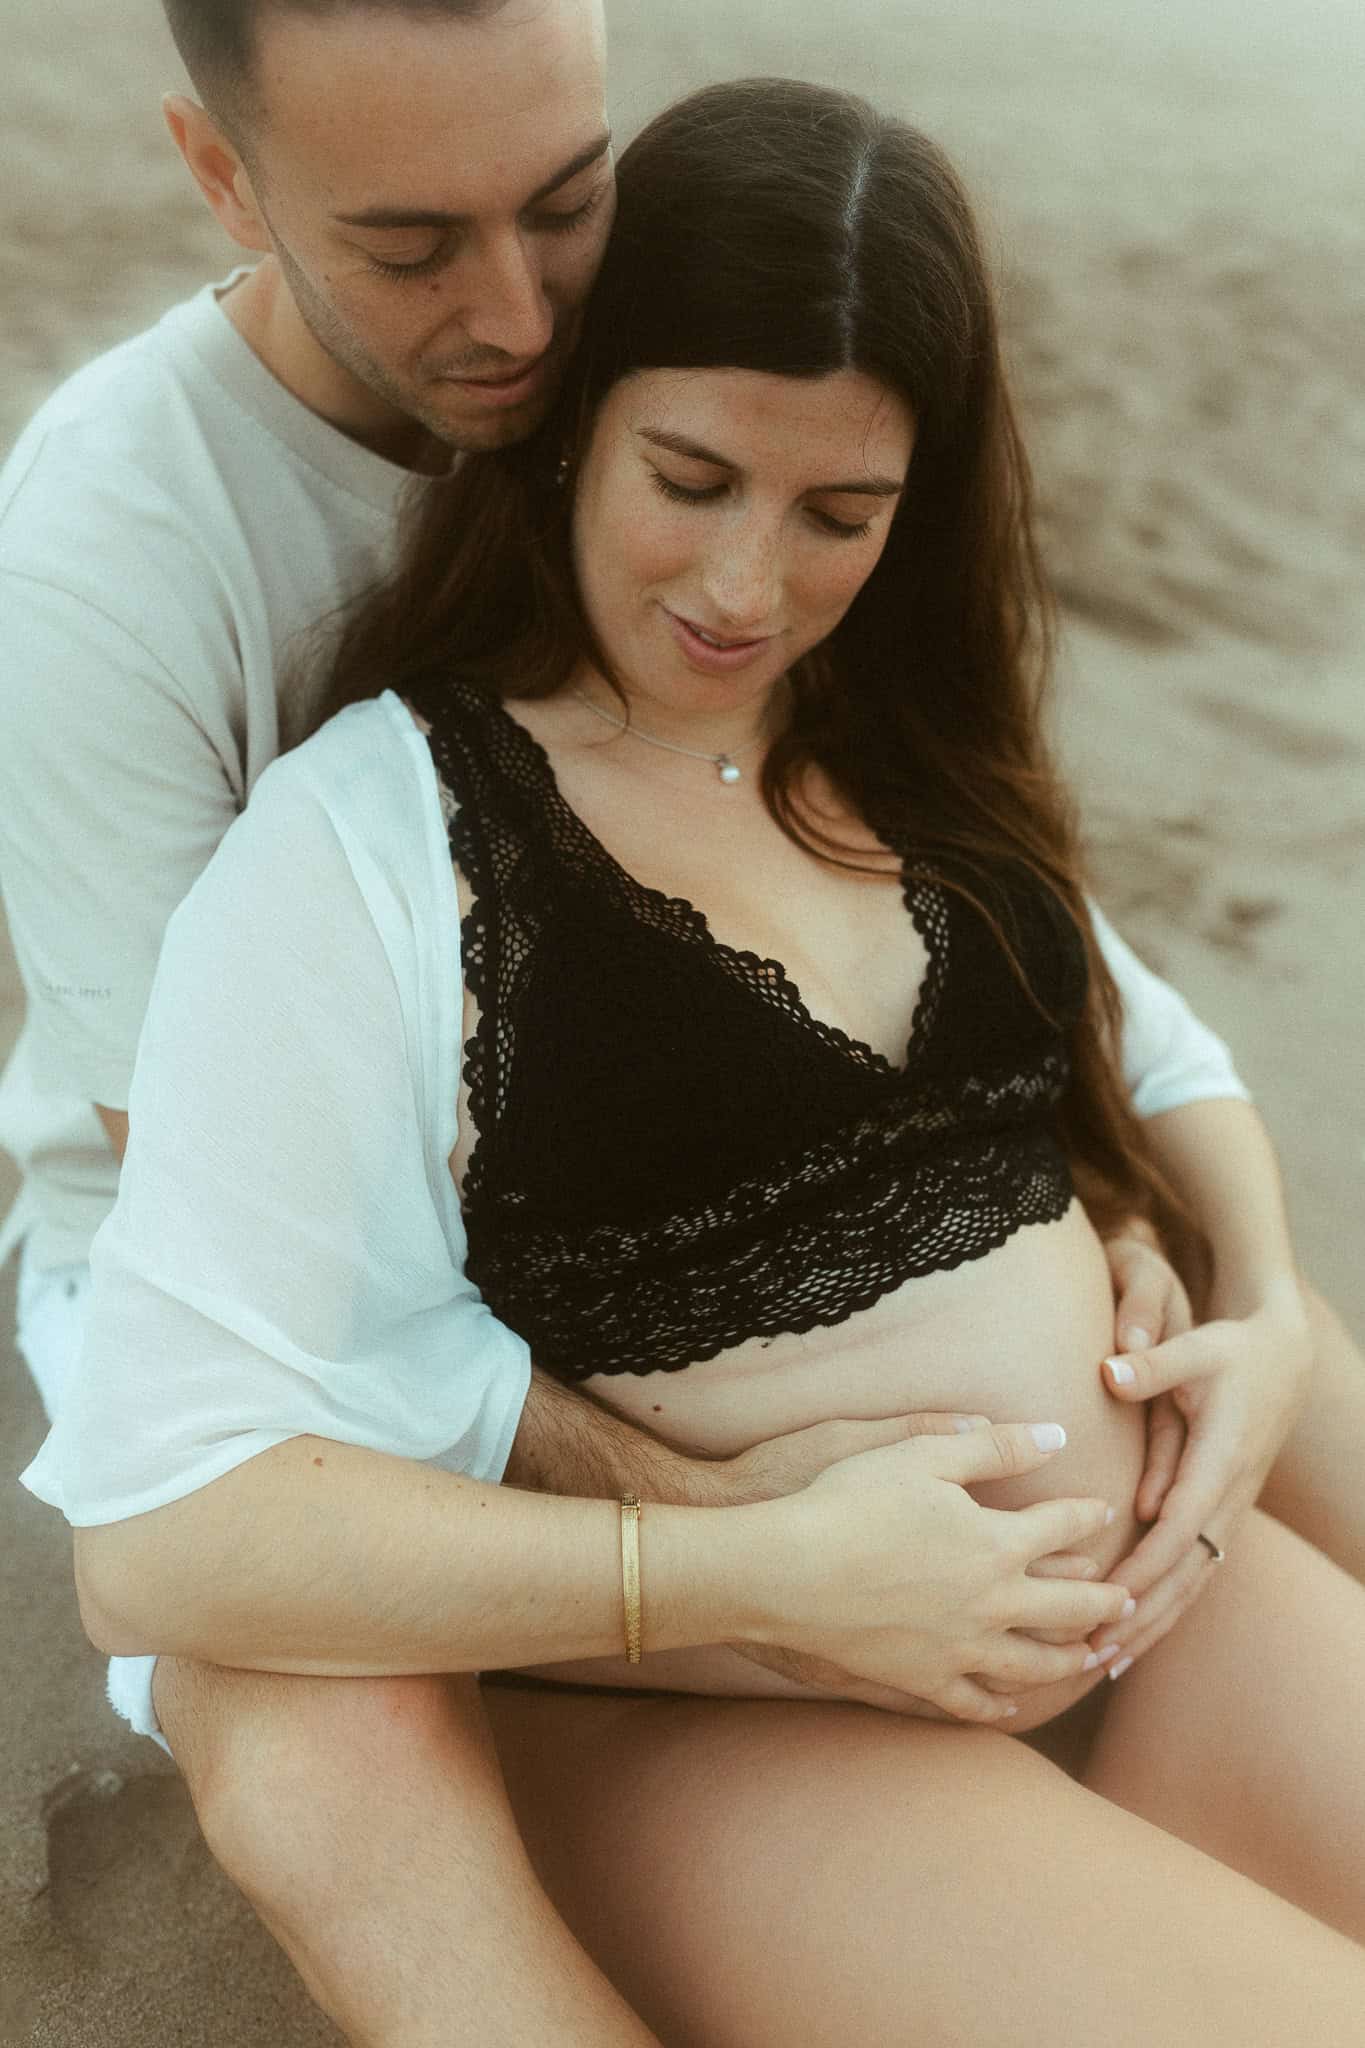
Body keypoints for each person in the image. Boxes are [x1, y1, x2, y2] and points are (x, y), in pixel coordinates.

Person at [0, 0, 1359, 2037]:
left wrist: (1230, 1303)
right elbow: (215, 1295)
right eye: (413, 244)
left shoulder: (859, 704)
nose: (515, 304)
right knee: (336, 1777)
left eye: (564, 208)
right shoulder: (149, 570)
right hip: (302, 1318)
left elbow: (1128, 1023)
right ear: (227, 174)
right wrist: (756, 1557)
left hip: (1066, 1598)